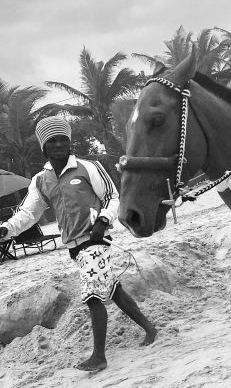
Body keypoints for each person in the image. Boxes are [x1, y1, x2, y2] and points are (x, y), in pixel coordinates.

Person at [0, 117, 157, 372]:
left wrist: (103, 221)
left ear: (70, 142)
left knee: (92, 295)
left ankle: (99, 356)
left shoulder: (88, 167)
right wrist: (7, 228)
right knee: (112, 289)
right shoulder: (41, 180)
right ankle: (150, 328)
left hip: (96, 241)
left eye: (64, 139)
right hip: (74, 247)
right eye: (53, 140)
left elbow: (112, 197)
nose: (59, 144)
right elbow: (28, 213)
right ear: (44, 146)